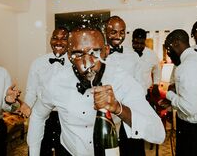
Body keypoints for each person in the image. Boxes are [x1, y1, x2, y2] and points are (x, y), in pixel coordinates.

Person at [27, 26, 165, 156]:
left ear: (106, 51)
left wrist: (118, 108)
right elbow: (38, 116)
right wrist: (33, 153)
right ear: (69, 55)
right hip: (68, 152)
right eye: (78, 54)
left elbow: (158, 134)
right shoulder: (56, 82)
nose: (87, 63)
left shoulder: (122, 80)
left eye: (95, 52)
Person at [24, 27, 70, 155]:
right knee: (39, 150)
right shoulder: (37, 63)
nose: (58, 42)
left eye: (64, 39)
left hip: (67, 117)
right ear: (50, 40)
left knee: (65, 152)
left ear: (70, 41)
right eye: (55, 38)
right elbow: (31, 91)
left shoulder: (76, 62)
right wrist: (26, 105)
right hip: (43, 116)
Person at [105, 16, 146, 155]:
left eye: (122, 32)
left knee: (133, 151)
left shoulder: (133, 56)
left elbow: (141, 85)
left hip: (129, 113)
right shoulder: (98, 54)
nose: (118, 36)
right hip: (107, 114)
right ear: (105, 31)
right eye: (113, 32)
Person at [132, 28, 161, 96]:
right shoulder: (126, 54)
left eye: (141, 43)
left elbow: (157, 70)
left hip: (146, 92)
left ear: (145, 41)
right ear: (132, 41)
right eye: (136, 43)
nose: (139, 46)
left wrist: (156, 84)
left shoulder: (152, 55)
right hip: (130, 92)